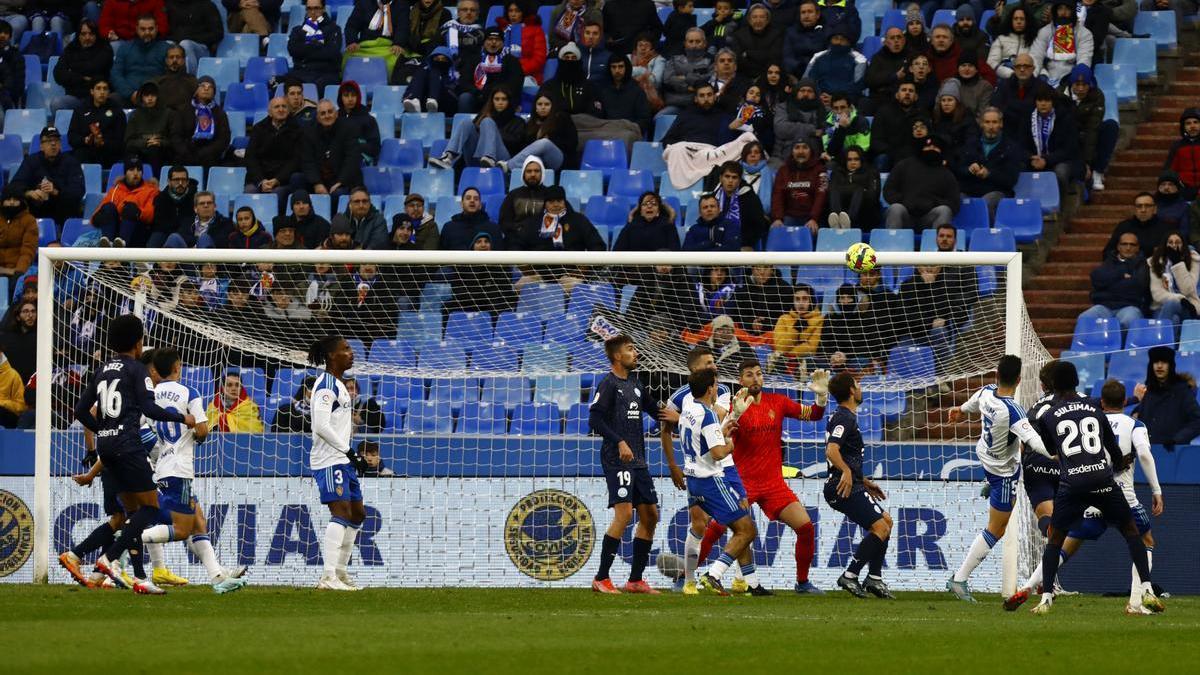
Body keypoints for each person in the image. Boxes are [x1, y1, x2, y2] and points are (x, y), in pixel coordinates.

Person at [72, 315, 196, 594]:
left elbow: (80, 411)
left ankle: (132, 574)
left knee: (129, 513)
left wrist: (104, 430)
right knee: (149, 509)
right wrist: (181, 417)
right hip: (128, 446)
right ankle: (107, 559)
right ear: (139, 343)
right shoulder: (136, 370)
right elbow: (150, 410)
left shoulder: (103, 369)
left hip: (106, 446)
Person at [1027, 361, 1163, 615]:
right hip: (1101, 480)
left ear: (1053, 385)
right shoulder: (1095, 410)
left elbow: (1052, 450)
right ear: (1077, 382)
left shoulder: (1047, 416)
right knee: (1132, 532)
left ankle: (1045, 599)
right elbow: (1112, 451)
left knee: (1056, 538)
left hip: (1072, 484)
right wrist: (1125, 460)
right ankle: (1146, 590)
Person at [702, 360, 829, 594]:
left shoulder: (778, 402)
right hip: (742, 482)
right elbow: (719, 438)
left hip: (773, 484)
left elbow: (814, 415)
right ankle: (688, 575)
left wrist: (821, 399)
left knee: (806, 527)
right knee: (718, 527)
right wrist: (734, 415)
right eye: (749, 375)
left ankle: (802, 582)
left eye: (759, 374)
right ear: (741, 380)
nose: (756, 379)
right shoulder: (734, 405)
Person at [135, 348, 247, 593]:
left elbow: (143, 431)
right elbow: (203, 429)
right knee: (183, 528)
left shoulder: (149, 396)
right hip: (180, 468)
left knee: (198, 521)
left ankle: (217, 577)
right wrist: (196, 436)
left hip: (162, 465)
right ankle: (128, 539)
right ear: (177, 367)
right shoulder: (189, 392)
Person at [944, 355, 1048, 602]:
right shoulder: (1014, 411)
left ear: (997, 376)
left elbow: (970, 404)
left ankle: (988, 485)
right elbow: (1032, 440)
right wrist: (1054, 456)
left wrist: (958, 411)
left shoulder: (986, 392)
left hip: (984, 455)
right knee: (997, 529)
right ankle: (959, 579)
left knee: (1013, 451)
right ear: (1019, 380)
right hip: (1003, 472)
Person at [587, 335, 664, 594]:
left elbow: (656, 410)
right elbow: (595, 420)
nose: (636, 352)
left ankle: (635, 580)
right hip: (616, 458)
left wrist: (679, 415)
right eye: (631, 349)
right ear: (618, 356)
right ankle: (601, 578)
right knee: (624, 514)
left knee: (651, 516)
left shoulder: (635, 383)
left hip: (638, 461)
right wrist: (619, 441)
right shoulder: (608, 384)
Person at [306, 335, 369, 591]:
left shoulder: (341, 385)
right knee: (341, 512)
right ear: (332, 356)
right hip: (330, 459)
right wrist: (349, 451)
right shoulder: (325, 386)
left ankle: (340, 572)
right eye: (346, 349)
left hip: (343, 459)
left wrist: (349, 455)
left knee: (357, 513)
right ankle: (328, 576)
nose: (351, 353)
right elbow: (320, 426)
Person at [824, 372, 894, 599]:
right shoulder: (845, 417)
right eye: (858, 384)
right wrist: (846, 472)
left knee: (886, 522)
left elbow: (842, 453)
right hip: (841, 486)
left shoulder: (845, 416)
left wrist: (862, 480)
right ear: (852, 391)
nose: (861, 387)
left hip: (852, 483)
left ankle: (874, 578)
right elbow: (831, 450)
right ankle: (851, 575)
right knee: (881, 528)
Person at [429, 87, 525, 169]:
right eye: (497, 99)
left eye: (504, 99)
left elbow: (516, 144)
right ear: (492, 101)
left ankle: (489, 157)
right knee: (466, 123)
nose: (500, 102)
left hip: (502, 161)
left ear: (509, 101)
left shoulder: (518, 121)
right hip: (477, 159)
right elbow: (472, 135)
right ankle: (448, 157)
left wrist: (492, 131)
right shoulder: (483, 115)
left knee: (487, 122)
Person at [955, 107, 1023, 221]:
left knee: (986, 202)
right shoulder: (970, 144)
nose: (991, 126)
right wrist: (969, 169)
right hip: (971, 190)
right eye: (987, 122)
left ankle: (987, 235)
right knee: (956, 199)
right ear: (981, 124)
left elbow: (1011, 179)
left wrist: (989, 174)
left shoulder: (1011, 147)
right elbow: (959, 169)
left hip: (997, 191)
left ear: (1001, 124)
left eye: (994, 122)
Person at [882, 136, 960, 231]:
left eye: (935, 147)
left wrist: (933, 203)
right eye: (928, 146)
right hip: (906, 215)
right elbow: (889, 190)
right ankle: (892, 244)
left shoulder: (946, 174)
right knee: (896, 208)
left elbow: (954, 202)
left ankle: (936, 245)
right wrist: (904, 200)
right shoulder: (904, 165)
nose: (931, 149)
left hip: (929, 219)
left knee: (944, 210)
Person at [1079, 231, 1149, 331]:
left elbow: (1137, 286)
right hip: (1104, 306)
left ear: (1137, 248)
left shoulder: (1142, 265)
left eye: (1132, 245)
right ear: (1118, 246)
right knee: (1084, 318)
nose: (1128, 248)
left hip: (1129, 306)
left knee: (1128, 320)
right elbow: (1097, 279)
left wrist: (1109, 283)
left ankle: (1121, 346)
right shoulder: (1109, 261)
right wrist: (1121, 275)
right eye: (1124, 244)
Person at [492, 92, 578, 172]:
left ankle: (508, 166)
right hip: (537, 161)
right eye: (540, 104)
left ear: (553, 106)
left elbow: (572, 143)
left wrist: (552, 140)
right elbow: (524, 147)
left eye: (547, 104)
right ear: (535, 107)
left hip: (559, 160)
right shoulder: (531, 124)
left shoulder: (562, 119)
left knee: (544, 143)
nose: (543, 107)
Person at [1134, 345, 1200, 447]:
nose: (1159, 366)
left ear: (1170, 365)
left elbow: (1197, 421)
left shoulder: (1183, 391)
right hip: (1149, 450)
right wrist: (1135, 413)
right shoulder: (1150, 391)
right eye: (1156, 362)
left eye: (1164, 362)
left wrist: (1176, 440)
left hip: (1173, 451)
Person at [245, 97, 306, 204]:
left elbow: (296, 160)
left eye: (284, 106)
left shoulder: (297, 130)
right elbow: (251, 157)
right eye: (277, 107)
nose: (281, 109)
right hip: (259, 178)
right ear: (270, 112)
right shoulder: (258, 129)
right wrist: (261, 181)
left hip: (283, 181)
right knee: (250, 191)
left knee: (277, 194)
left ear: (288, 110)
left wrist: (277, 180)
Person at [454, 25, 524, 114]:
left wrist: (493, 92)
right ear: (484, 42)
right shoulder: (474, 59)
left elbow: (515, 84)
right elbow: (464, 81)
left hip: (501, 99)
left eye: (497, 39)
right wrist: (477, 92)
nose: (493, 42)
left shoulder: (511, 60)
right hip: (478, 97)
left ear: (503, 43)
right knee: (465, 97)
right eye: (490, 39)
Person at [92, 155, 159, 247]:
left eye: (139, 170)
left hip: (138, 231)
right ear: (125, 173)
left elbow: (151, 215)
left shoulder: (151, 190)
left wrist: (138, 212)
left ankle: (121, 245)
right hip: (115, 230)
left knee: (130, 208)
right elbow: (98, 213)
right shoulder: (115, 190)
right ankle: (108, 243)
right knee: (109, 207)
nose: (135, 173)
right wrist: (99, 217)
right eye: (131, 170)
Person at [51, 19, 114, 111]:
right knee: (57, 104)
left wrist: (72, 71)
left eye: (91, 34)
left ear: (96, 35)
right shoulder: (71, 49)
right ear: (78, 35)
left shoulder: (105, 48)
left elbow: (94, 68)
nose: (87, 37)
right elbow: (58, 74)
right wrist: (82, 78)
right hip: (75, 97)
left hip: (98, 98)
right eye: (83, 34)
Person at [301, 99, 358, 199]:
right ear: (318, 118)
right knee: (296, 179)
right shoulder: (309, 133)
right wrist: (316, 183)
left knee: (338, 194)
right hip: (319, 179)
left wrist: (340, 182)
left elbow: (352, 159)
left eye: (330, 112)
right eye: (323, 113)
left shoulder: (348, 129)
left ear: (336, 114)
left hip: (342, 180)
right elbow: (307, 161)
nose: (327, 116)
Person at [170, 76, 231, 168]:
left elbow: (224, 139)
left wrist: (207, 152)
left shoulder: (220, 113)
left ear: (214, 93)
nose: (206, 89)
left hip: (210, 155)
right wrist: (185, 151)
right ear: (196, 90)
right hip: (186, 153)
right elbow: (176, 135)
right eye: (203, 86)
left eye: (210, 87)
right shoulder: (183, 110)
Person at [770, 138, 827, 235]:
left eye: (805, 147)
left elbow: (821, 195)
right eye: (797, 148)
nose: (801, 151)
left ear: (811, 151)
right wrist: (778, 218)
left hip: (812, 217)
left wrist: (814, 218)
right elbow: (777, 195)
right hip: (789, 217)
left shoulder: (820, 170)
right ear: (792, 151)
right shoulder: (783, 170)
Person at [1029, 0, 1093, 87]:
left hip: (1071, 80)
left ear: (1073, 11)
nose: (1063, 12)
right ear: (1055, 11)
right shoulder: (1044, 31)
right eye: (1060, 9)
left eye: (1067, 9)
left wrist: (1075, 80)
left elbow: (1084, 60)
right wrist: (1033, 77)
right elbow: (1036, 57)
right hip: (1045, 78)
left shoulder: (1084, 33)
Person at [111, 14, 171, 104]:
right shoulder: (125, 48)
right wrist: (130, 93)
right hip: (129, 95)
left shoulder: (167, 49)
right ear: (136, 29)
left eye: (151, 29)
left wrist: (154, 94)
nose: (147, 32)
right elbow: (116, 75)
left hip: (157, 96)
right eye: (143, 29)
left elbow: (172, 76)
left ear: (157, 28)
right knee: (111, 100)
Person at [67, 79, 127, 166]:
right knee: (77, 155)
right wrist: (85, 140)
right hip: (86, 150)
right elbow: (72, 136)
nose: (102, 92)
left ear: (109, 92)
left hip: (108, 153)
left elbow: (121, 141)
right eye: (98, 88)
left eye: (105, 89)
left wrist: (103, 143)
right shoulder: (80, 110)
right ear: (92, 91)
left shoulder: (117, 112)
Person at [287, 0, 344, 90]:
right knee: (274, 82)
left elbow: (331, 53)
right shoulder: (297, 30)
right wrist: (316, 45)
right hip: (301, 72)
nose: (313, 12)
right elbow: (292, 50)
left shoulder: (334, 29)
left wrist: (305, 49)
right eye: (309, 9)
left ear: (323, 9)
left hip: (326, 73)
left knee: (315, 87)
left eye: (316, 8)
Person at [343, 0, 410, 75]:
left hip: (389, 48)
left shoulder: (402, 4)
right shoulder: (363, 3)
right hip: (365, 47)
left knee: (398, 59)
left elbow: (403, 27)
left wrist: (398, 44)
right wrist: (352, 42)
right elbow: (351, 26)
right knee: (348, 56)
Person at [1147, 232, 1200, 327]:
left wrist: (1177, 264)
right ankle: (1169, 340)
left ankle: (1161, 339)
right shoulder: (1155, 262)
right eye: (1170, 242)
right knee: (1174, 318)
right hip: (1162, 307)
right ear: (1164, 245)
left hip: (1190, 307)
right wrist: (1180, 299)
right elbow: (1157, 294)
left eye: (1178, 242)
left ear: (1184, 245)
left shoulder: (1193, 260)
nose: (1174, 245)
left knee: (1172, 308)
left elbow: (1188, 290)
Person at [869, 78, 921, 171]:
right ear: (897, 95)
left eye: (911, 91)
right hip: (890, 154)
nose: (907, 93)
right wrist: (894, 153)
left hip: (915, 154)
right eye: (904, 90)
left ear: (916, 96)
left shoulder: (922, 114)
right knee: (882, 159)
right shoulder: (883, 112)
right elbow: (876, 142)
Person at [1102, 193, 1171, 261]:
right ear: (1134, 209)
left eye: (1147, 206)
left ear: (1155, 209)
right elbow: (1108, 252)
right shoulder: (1124, 227)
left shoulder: (1165, 229)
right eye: (1139, 206)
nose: (1143, 210)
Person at [660, 27, 713, 115]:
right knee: (658, 118)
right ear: (685, 43)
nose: (694, 45)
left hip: (701, 105)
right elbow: (668, 79)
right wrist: (688, 87)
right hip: (675, 103)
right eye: (691, 41)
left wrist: (684, 77)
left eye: (698, 41)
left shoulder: (711, 60)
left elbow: (707, 80)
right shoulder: (674, 58)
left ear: (704, 43)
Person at [772, 284, 824, 370]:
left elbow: (811, 348)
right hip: (783, 363)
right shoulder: (783, 319)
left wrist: (788, 356)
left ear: (811, 301)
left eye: (805, 299)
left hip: (805, 362)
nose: (801, 303)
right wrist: (795, 329)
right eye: (797, 299)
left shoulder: (819, 320)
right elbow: (780, 347)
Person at [827, 145, 880, 229]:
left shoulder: (871, 172)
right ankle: (837, 220)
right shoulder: (837, 172)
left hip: (864, 213)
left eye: (856, 159)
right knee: (834, 191)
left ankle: (848, 221)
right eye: (849, 160)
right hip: (842, 207)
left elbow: (873, 196)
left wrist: (855, 189)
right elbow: (830, 191)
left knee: (859, 190)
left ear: (861, 160)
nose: (853, 162)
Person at [497, 1, 548, 85]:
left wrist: (518, 71)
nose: (513, 14)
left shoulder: (536, 30)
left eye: (517, 11)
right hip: (503, 74)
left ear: (523, 12)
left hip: (528, 75)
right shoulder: (501, 30)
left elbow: (539, 59)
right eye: (510, 11)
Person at [497, 156, 550, 238]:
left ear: (542, 173)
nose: (533, 174)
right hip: (517, 240)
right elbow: (504, 222)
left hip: (542, 240)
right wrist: (518, 229)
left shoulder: (550, 194)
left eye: (536, 171)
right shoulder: (513, 195)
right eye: (529, 171)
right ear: (523, 174)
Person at [599, 53, 652, 134]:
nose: (617, 70)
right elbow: (598, 116)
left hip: (629, 132)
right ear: (609, 69)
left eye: (620, 66)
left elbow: (644, 119)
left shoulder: (637, 91)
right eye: (613, 67)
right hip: (606, 131)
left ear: (626, 68)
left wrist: (630, 128)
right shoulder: (602, 90)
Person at [166, 0, 223, 74]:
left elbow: (218, 33)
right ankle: (166, 79)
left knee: (186, 44)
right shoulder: (171, 5)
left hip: (201, 47)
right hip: (177, 42)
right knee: (167, 44)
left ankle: (191, 79)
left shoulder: (207, 5)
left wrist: (192, 38)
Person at [147, 166, 198, 247]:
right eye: (176, 180)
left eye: (183, 180)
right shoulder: (160, 198)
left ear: (188, 181)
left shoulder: (194, 198)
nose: (180, 183)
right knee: (155, 238)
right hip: (164, 233)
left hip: (186, 234)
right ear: (169, 181)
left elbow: (191, 222)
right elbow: (159, 223)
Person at [124, 81, 172, 167]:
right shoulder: (135, 115)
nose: (150, 98)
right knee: (131, 152)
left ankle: (155, 179)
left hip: (161, 150)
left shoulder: (168, 113)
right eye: (146, 95)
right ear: (141, 97)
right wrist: (146, 142)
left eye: (153, 95)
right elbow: (128, 141)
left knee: (155, 150)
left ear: (158, 96)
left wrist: (160, 142)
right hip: (140, 149)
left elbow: (173, 139)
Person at [165, 190, 234, 248]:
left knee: (204, 238)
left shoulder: (225, 222)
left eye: (209, 203)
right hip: (188, 256)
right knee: (173, 237)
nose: (206, 205)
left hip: (212, 258)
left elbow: (221, 241)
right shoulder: (187, 222)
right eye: (202, 203)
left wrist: (201, 240)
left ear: (215, 207)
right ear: (195, 209)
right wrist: (197, 240)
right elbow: (182, 236)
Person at [613, 192, 679, 251]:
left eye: (654, 204)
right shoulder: (631, 226)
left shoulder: (668, 225)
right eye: (645, 204)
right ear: (641, 211)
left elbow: (675, 251)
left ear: (658, 210)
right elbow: (617, 251)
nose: (649, 206)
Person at [988, 6, 1035, 80]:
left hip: (1028, 76)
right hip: (1006, 76)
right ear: (1011, 21)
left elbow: (1038, 63)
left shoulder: (1035, 40)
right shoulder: (1001, 39)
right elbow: (991, 62)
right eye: (1015, 19)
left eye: (1022, 19)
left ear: (1027, 21)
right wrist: (1010, 74)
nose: (1019, 22)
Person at [0, 187, 34, 288]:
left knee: (17, 283)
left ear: (21, 202)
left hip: (18, 269)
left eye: (15, 200)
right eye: (8, 199)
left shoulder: (29, 221)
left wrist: (18, 271)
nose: (11, 203)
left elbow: (28, 249)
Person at [150, 44, 199, 113]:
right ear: (166, 61)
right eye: (171, 57)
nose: (175, 60)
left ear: (183, 60)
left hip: (185, 119)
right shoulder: (157, 82)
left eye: (178, 57)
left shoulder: (192, 81)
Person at [1163, 108, 1200, 195]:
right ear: (1183, 127)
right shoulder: (1177, 146)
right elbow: (1169, 170)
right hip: (1183, 189)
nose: (1192, 126)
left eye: (1196, 122)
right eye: (1188, 123)